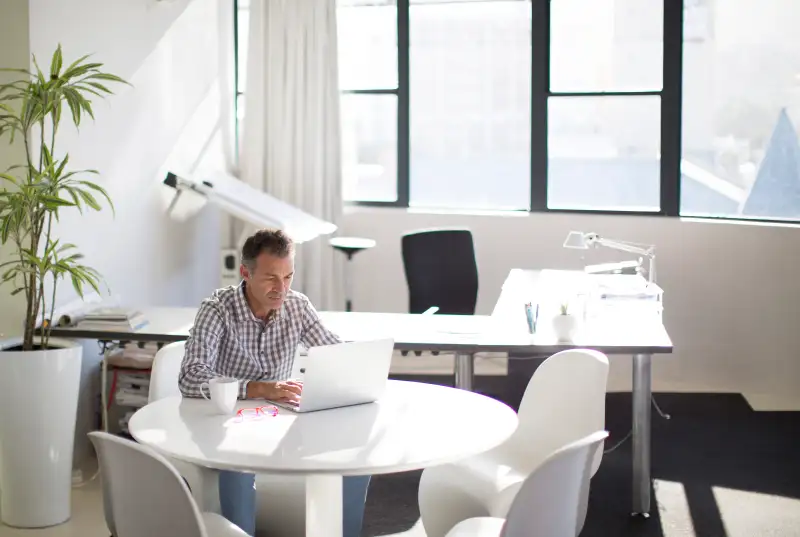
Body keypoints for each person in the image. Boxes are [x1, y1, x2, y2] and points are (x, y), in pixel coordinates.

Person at [178, 228, 371, 537]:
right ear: (245, 272)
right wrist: (260, 388)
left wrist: (359, 364)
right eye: (270, 278)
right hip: (230, 424)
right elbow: (190, 377)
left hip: (282, 421)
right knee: (237, 461)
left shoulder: (297, 306)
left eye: (288, 277)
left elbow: (335, 351)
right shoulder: (216, 309)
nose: (281, 288)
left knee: (356, 460)